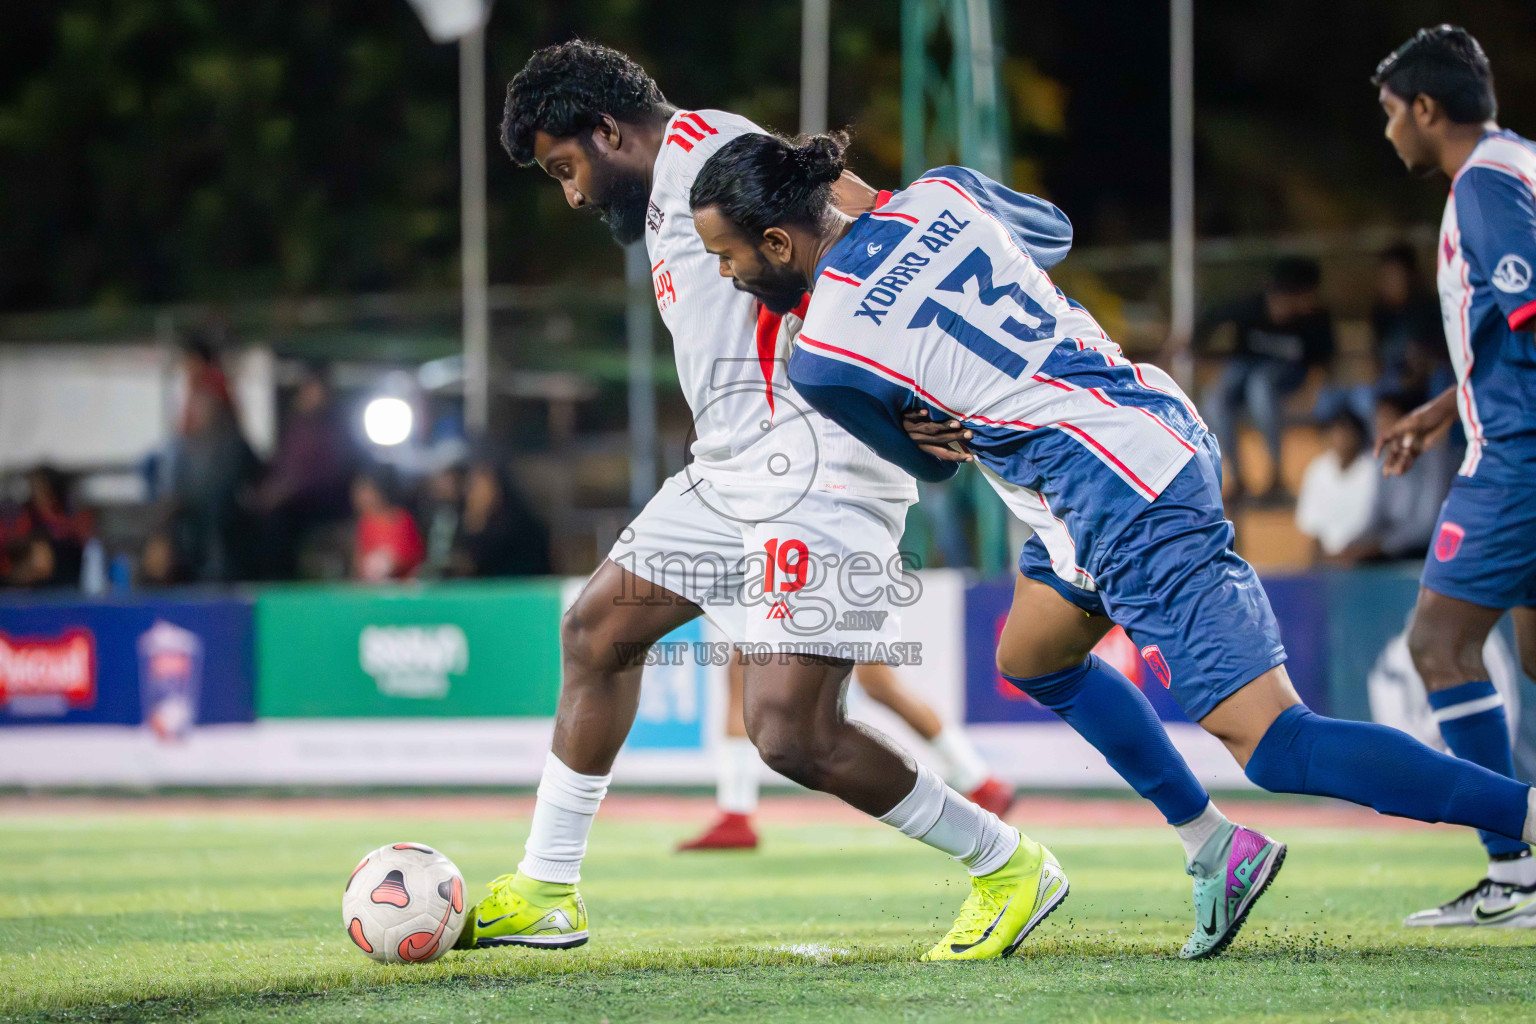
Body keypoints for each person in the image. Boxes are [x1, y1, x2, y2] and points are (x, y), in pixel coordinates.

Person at [687, 129, 1536, 951]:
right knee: (1032, 656)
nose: (727, 276)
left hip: (1118, 489)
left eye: (729, 256)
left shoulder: (823, 352)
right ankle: (1214, 846)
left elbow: (931, 465)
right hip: (1132, 429)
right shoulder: (940, 192)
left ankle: (1524, 819)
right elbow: (1051, 233)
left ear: (777, 239)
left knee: (1278, 745)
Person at [467, 40, 1061, 963]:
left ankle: (1008, 863)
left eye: (567, 168)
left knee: (789, 731)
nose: (573, 195)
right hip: (731, 468)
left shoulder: (714, 148)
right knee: (596, 633)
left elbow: (877, 221)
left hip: (821, 461)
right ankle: (546, 888)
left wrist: (936, 373)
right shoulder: (670, 187)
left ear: (609, 131)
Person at [1371, 25, 1536, 927]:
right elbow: (1509, 332)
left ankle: (1514, 874)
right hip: (1504, 435)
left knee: (1438, 645)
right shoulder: (1520, 164)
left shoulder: (1481, 188)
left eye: (1392, 114)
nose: (1390, 131)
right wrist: (1440, 411)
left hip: (1520, 458)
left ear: (1427, 111)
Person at [679, 658, 1014, 851]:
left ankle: (736, 812)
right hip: (847, 560)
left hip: (828, 562)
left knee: (746, 667)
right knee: (878, 681)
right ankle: (980, 780)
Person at [1195, 257, 1336, 503]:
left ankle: (1276, 474)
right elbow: (1211, 317)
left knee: (1260, 384)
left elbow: (1323, 365)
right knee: (1217, 397)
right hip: (1245, 375)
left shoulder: (1314, 319)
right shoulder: (1252, 307)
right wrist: (1192, 348)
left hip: (1283, 379)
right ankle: (1236, 477)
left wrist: (1311, 391)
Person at [254, 366, 357, 579]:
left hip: (318, 508)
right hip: (289, 504)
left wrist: (286, 492)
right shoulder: (293, 425)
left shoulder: (334, 429)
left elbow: (325, 474)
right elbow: (283, 465)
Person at [1333, 390, 1457, 564]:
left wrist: (1382, 546)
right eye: (1378, 420)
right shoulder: (1382, 461)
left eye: (1387, 419)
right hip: (1390, 553)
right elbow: (1375, 517)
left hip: (1422, 555)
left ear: (1409, 421)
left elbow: (1427, 526)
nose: (1381, 427)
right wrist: (1352, 544)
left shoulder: (1435, 460)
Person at [1372, 243, 1451, 406]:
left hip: (1426, 388)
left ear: (1409, 275)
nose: (1388, 283)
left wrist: (1422, 361)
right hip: (1393, 388)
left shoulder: (1428, 308)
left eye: (1393, 275)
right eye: (1384, 276)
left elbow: (1442, 356)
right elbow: (1377, 362)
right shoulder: (1380, 313)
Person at [1295, 406, 1377, 563]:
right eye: (1337, 431)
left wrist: (1351, 555)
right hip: (1326, 563)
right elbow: (1312, 529)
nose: (1342, 437)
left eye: (1347, 432)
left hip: (1364, 561)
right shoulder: (1317, 469)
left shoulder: (1372, 471)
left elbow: (1376, 528)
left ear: (1359, 435)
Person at [351, 468, 424, 582]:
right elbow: (359, 559)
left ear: (380, 490)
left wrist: (390, 562)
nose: (360, 497)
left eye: (366, 491)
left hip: (403, 586)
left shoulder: (401, 518)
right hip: (373, 587)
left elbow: (415, 555)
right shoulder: (365, 523)